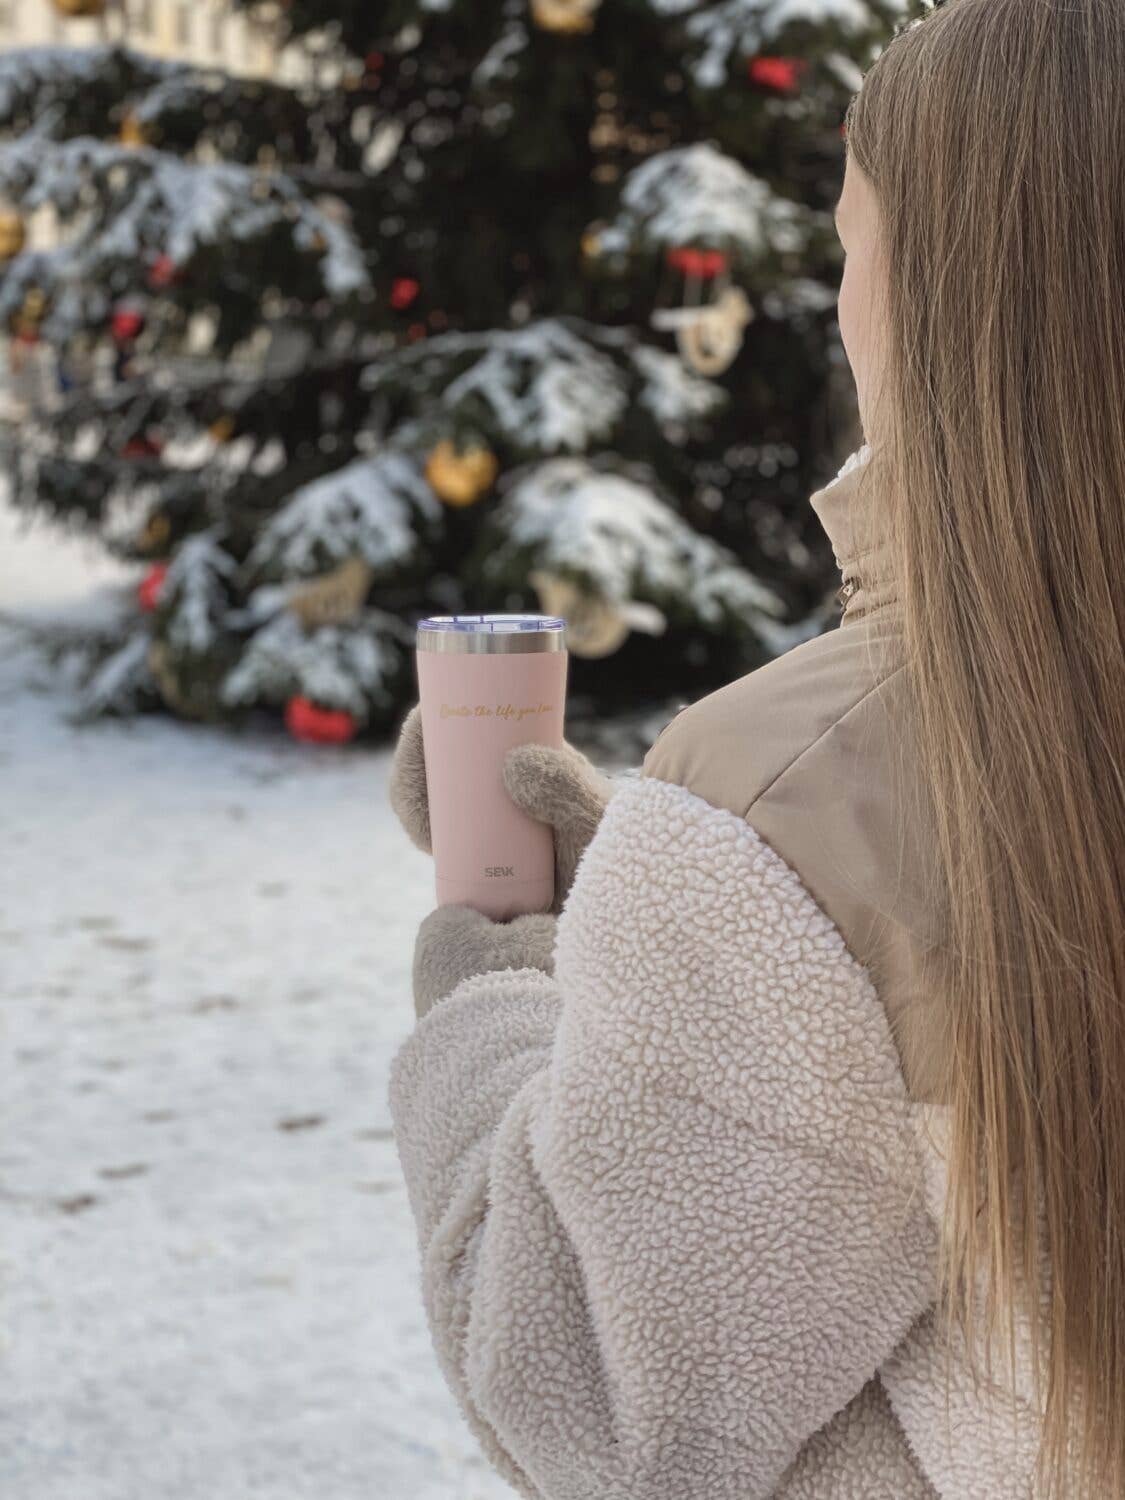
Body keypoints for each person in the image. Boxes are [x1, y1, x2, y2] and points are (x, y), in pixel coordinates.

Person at [386, 1, 1125, 1495]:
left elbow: (598, 1405)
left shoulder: (795, 797)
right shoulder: (792, 810)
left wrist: (501, 986)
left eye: (852, 243)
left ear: (937, 293)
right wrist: (665, 923)